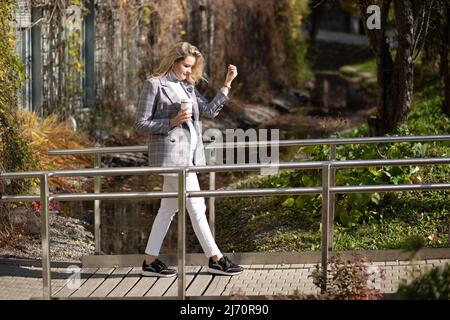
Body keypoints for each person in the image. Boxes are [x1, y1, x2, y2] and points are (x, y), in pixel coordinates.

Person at [135, 42, 243, 277]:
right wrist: (171, 122)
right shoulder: (154, 84)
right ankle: (216, 258)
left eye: (191, 67)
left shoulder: (188, 87)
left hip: (191, 157)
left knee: (168, 208)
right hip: (173, 158)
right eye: (185, 66)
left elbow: (210, 111)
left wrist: (227, 83)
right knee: (196, 207)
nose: (188, 71)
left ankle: (149, 261)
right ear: (174, 61)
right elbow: (141, 123)